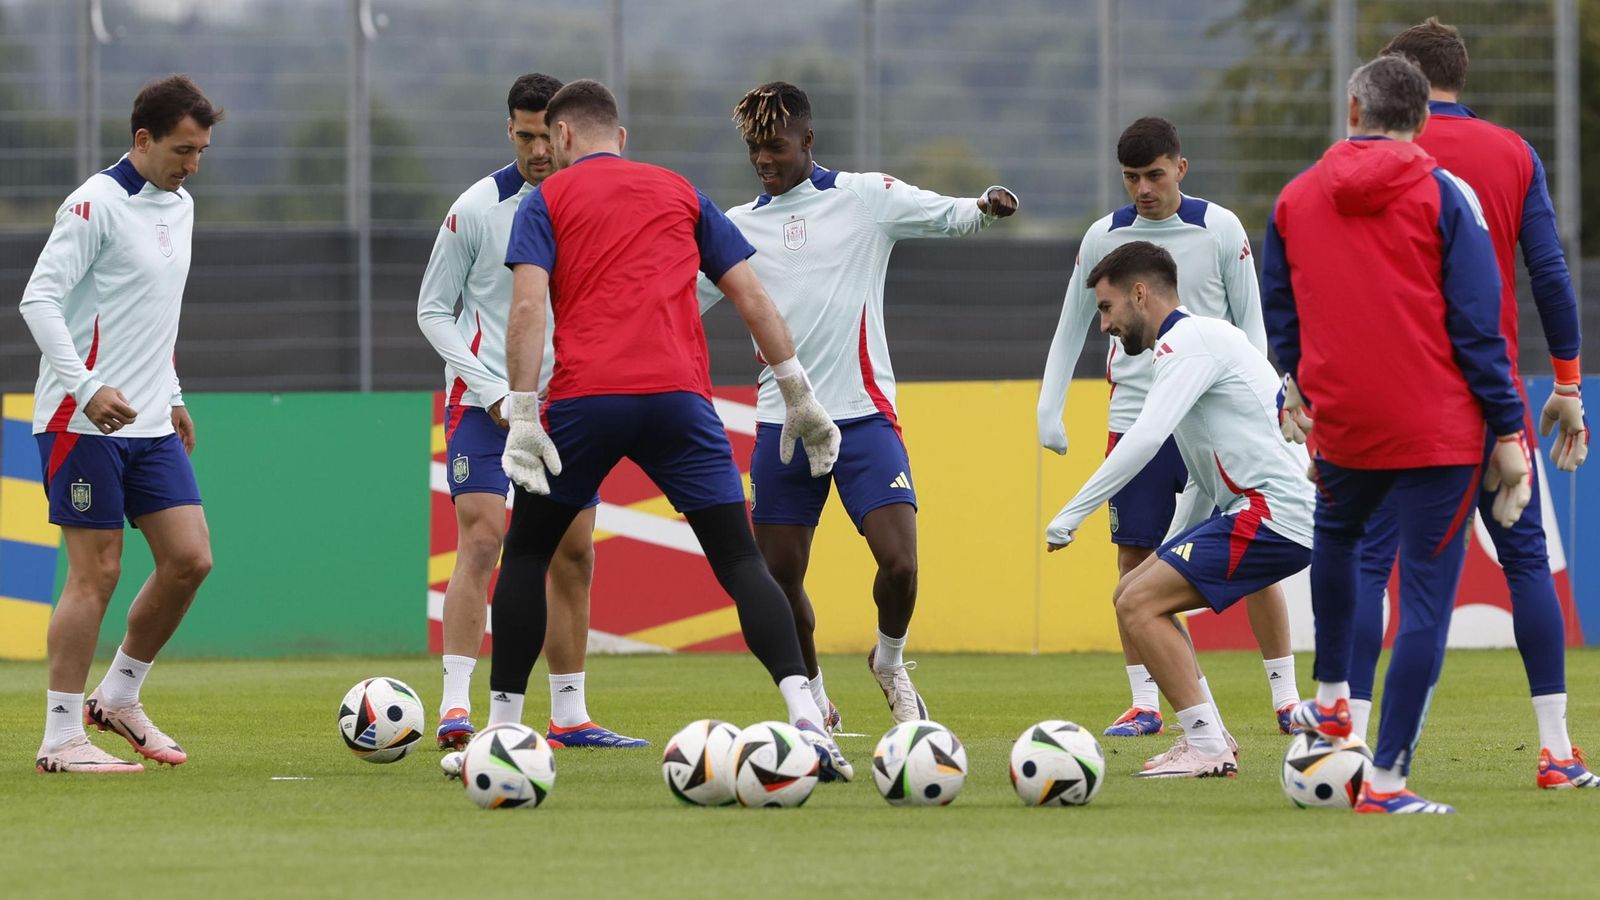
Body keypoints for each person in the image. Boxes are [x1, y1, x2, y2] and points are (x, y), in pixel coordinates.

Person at [492, 79, 852, 779]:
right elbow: (750, 295)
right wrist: (798, 393)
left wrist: (523, 411)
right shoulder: (680, 191)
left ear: (562, 138)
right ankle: (807, 718)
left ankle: (503, 735)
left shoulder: (546, 199)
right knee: (741, 563)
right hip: (679, 401)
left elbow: (528, 308)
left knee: (529, 555)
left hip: (584, 401)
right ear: (620, 138)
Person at [697, 81, 1017, 730]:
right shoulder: (733, 228)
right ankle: (813, 698)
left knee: (900, 563)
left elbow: (948, 212)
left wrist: (987, 206)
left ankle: (890, 662)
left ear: (808, 141)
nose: (764, 158)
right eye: (755, 148)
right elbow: (679, 302)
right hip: (780, 422)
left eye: (777, 146)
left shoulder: (864, 198)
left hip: (863, 416)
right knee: (778, 576)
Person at [1262, 54, 1532, 814]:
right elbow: (1479, 324)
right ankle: (1384, 782)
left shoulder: (1294, 197)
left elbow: (1281, 311)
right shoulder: (1447, 193)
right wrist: (1507, 431)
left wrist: (1301, 385)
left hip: (1344, 423)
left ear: (1353, 111)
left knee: (1340, 541)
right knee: (1423, 603)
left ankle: (1331, 699)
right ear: (1419, 122)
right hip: (1437, 431)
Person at [1340, 18, 1595, 790]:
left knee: (1369, 562)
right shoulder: (1512, 153)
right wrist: (1570, 383)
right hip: (1491, 398)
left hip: (1391, 397)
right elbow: (1548, 272)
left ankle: (1347, 743)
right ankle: (1555, 751)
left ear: (1401, 80)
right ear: (1459, 75)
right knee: (1524, 564)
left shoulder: (1365, 158)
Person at [1038, 117, 1299, 740]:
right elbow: (1073, 323)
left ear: (1180, 168)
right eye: (1131, 177)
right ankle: (1149, 702)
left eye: (1154, 175)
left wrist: (1266, 404)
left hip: (1214, 420)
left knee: (1252, 548)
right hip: (1137, 415)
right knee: (1136, 558)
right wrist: (1050, 405)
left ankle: (1286, 695)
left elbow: (1251, 324)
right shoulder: (1104, 236)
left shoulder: (1220, 228)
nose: (1143, 189)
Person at [416, 73, 644, 751]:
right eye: (524, 136)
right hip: (483, 407)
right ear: (508, 131)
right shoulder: (476, 208)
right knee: (484, 539)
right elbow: (433, 311)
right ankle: (456, 708)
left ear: (567, 130)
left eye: (548, 134)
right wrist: (490, 389)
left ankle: (570, 716)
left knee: (573, 555)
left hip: (566, 408)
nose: (538, 148)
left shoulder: (592, 205)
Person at [1045, 241, 1315, 779]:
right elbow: (1200, 478)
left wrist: (1070, 514)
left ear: (1140, 294)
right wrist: (1166, 550)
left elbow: (1144, 439)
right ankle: (1211, 736)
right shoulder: (1199, 342)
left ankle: (1207, 747)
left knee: (1138, 603)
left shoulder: (1187, 344)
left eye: (1106, 308)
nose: (1103, 326)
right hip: (1266, 511)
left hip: (1272, 513)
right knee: (1134, 592)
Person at [20, 75, 223, 773]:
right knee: (96, 574)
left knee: (190, 559)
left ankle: (119, 697)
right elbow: (38, 300)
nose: (192, 163)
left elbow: (153, 314)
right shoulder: (92, 204)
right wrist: (84, 385)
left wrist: (172, 391)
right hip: (81, 420)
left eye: (200, 151)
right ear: (143, 139)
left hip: (149, 421)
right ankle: (60, 737)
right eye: (181, 149)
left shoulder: (182, 205)